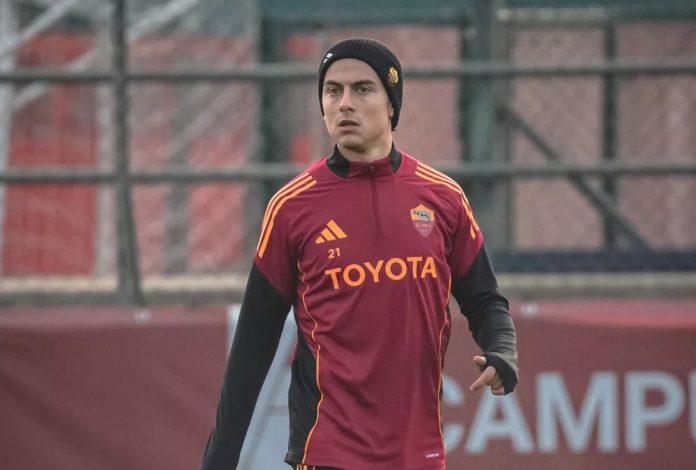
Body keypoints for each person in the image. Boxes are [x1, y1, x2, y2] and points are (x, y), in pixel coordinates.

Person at [201, 37, 518, 470]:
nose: (344, 103)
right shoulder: (291, 208)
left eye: (362, 89)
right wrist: (219, 459)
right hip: (327, 452)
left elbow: (485, 300)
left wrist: (502, 349)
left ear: (391, 105)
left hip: (419, 454)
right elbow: (253, 346)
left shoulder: (444, 198)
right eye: (333, 91)